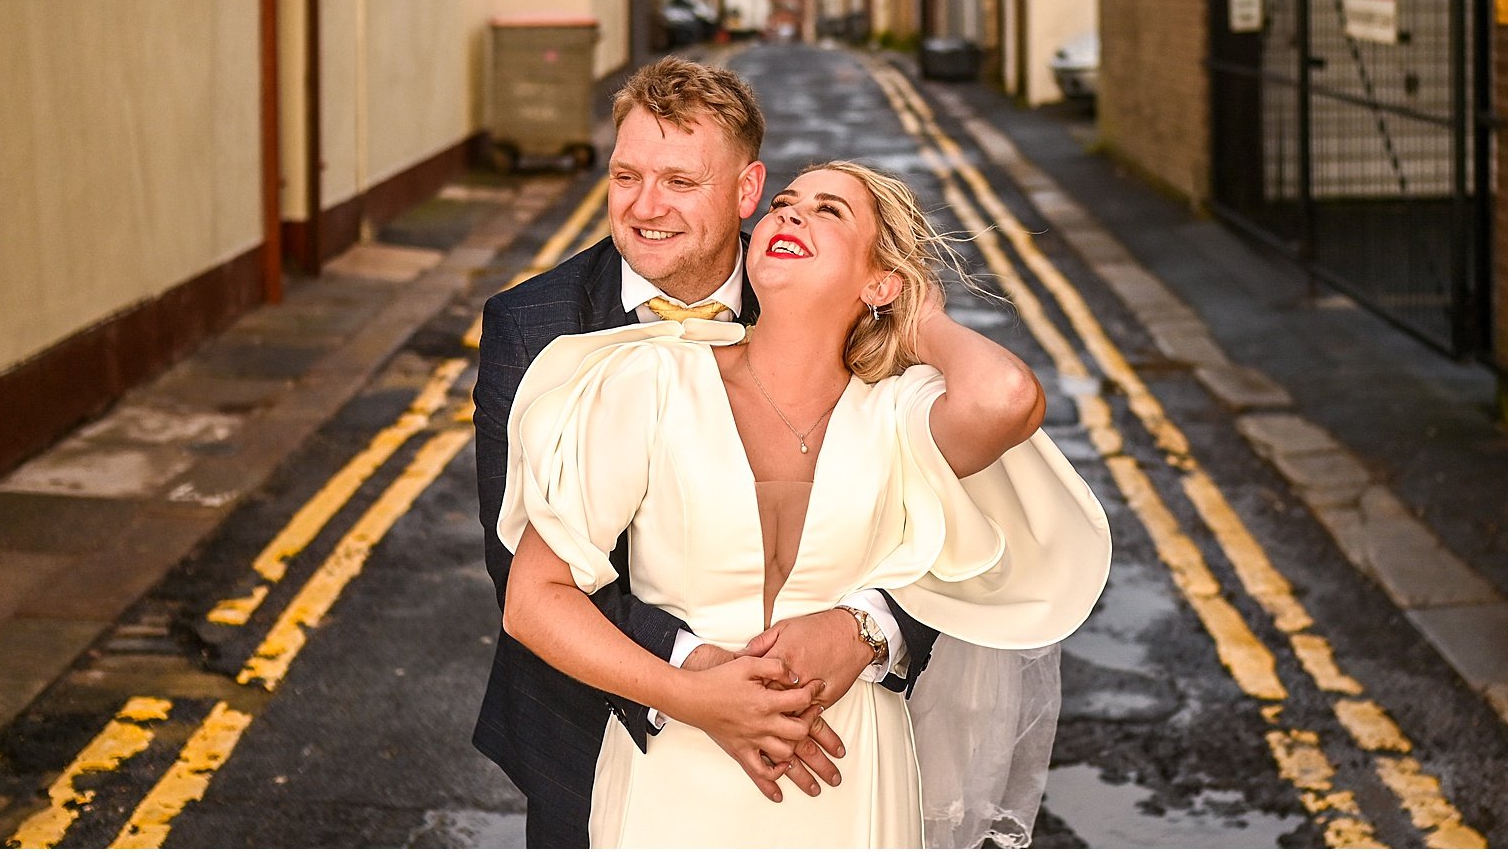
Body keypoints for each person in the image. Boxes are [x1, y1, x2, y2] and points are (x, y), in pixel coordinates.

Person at [498, 160, 1112, 847]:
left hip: (849, 787)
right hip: (673, 777)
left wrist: (923, 322)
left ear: (879, 280)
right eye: (785, 203)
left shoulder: (898, 413)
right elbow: (533, 599)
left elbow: (1006, 398)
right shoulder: (651, 382)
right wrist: (693, 696)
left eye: (829, 211)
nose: (790, 215)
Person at [472, 59, 940, 847]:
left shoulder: (814, 287)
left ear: (746, 191)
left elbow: (939, 535)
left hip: (825, 747)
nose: (644, 207)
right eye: (627, 175)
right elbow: (515, 554)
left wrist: (866, 631)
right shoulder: (531, 323)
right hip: (590, 735)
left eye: (680, 182)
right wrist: (704, 682)